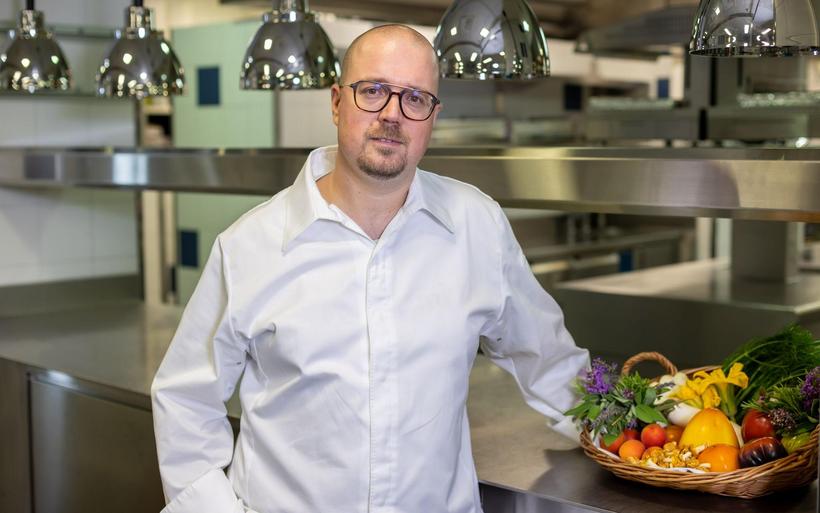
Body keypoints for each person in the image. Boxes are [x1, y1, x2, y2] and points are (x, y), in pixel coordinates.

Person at [151, 24, 590, 513]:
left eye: (415, 98)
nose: (391, 115)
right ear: (337, 102)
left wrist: (632, 433)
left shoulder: (476, 225)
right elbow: (186, 401)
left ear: (433, 118)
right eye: (373, 91)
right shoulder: (250, 246)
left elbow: (547, 358)